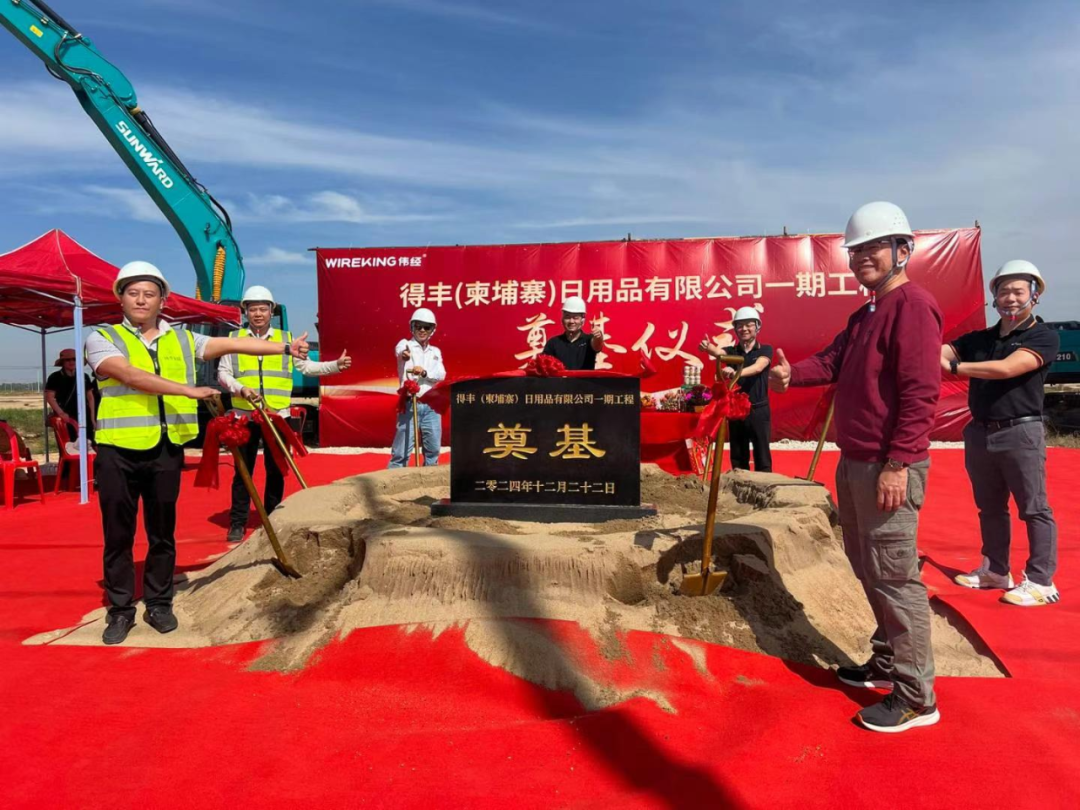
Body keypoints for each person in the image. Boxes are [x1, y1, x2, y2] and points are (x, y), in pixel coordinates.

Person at [769, 201, 943, 733]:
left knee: (894, 576)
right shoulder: (866, 313)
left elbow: (921, 392)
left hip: (888, 465)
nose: (862, 258)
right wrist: (790, 374)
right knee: (868, 566)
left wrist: (898, 462)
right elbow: (832, 361)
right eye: (856, 250)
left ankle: (916, 697)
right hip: (856, 461)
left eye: (873, 248)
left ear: (902, 250)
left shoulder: (913, 306)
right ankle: (887, 661)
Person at [85, 261, 310, 645]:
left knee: (162, 533)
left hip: (166, 449)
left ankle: (159, 603)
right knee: (118, 535)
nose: (141, 300)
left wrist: (285, 347)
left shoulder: (184, 339)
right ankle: (120, 610)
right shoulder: (102, 337)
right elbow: (128, 374)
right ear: (120, 298)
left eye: (149, 293)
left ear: (162, 300)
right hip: (117, 451)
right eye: (133, 293)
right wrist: (189, 391)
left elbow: (235, 343)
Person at [941, 261, 1060, 606]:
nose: (1010, 298)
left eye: (1018, 291)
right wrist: (930, 352)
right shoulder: (981, 339)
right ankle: (995, 570)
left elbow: (1007, 368)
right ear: (994, 297)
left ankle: (1041, 581)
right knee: (990, 507)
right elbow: (942, 350)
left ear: (1034, 296)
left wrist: (953, 368)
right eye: (1003, 291)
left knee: (1034, 508)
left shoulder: (1042, 336)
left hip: (1021, 431)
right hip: (980, 432)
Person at [218, 285, 351, 543]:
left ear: (272, 311)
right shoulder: (234, 339)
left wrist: (335, 366)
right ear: (245, 312)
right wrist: (240, 388)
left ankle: (272, 517)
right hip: (244, 416)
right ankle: (237, 521)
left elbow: (307, 367)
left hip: (277, 415)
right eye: (252, 309)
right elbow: (223, 373)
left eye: (263, 309)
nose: (258, 314)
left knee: (276, 470)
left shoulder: (286, 340)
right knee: (242, 471)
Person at [699, 306, 773, 472]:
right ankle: (739, 486)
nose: (744, 329)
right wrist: (707, 346)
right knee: (738, 456)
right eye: (740, 325)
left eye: (749, 324)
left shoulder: (765, 349)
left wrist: (736, 373)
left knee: (762, 454)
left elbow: (758, 367)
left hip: (759, 410)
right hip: (736, 411)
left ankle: (765, 485)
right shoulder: (732, 351)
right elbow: (718, 352)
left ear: (757, 326)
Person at [388, 308, 446, 468]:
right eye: (418, 326)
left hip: (432, 406)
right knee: (402, 451)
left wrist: (425, 373)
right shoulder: (405, 344)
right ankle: (394, 480)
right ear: (412, 327)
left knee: (433, 449)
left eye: (426, 327)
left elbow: (441, 374)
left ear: (433, 330)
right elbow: (400, 351)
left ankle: (430, 481)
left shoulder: (435, 351)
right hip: (410, 403)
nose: (422, 330)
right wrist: (404, 355)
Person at [45, 348, 98, 445]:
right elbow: (49, 397)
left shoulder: (84, 376)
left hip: (84, 416)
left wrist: (92, 418)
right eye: (68, 360)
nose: (72, 362)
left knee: (89, 444)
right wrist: (61, 413)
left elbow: (90, 398)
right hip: (65, 416)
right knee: (67, 445)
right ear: (63, 362)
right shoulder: (55, 377)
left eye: (74, 359)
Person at [541, 296, 605, 371]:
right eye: (567, 317)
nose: (571, 321)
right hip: (560, 379)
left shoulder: (589, 340)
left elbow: (597, 345)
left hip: (584, 379)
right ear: (562, 319)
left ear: (582, 320)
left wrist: (598, 336)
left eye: (575, 318)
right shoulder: (553, 343)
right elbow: (544, 365)